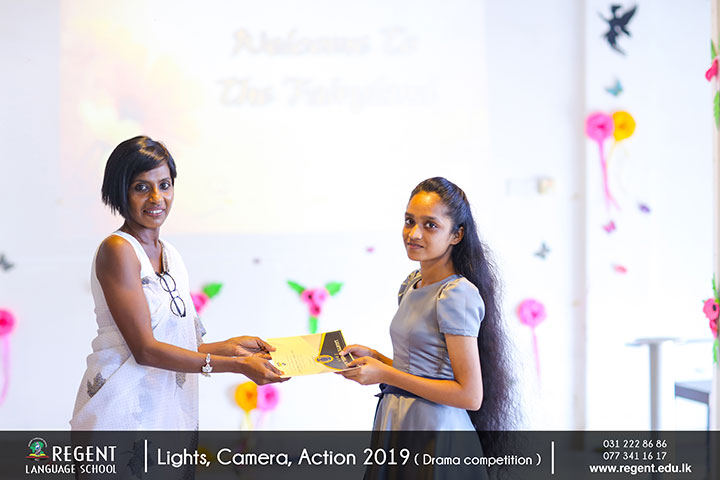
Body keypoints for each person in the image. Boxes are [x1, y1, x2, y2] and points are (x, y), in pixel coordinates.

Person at [70, 136, 287, 430]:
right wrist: (237, 366)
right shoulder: (118, 249)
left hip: (162, 409)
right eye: (141, 187)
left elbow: (181, 347)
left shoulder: (170, 254)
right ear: (119, 191)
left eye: (164, 185)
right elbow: (146, 350)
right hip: (121, 413)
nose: (156, 198)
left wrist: (233, 349)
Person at [339, 177, 516, 462]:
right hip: (400, 422)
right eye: (409, 221)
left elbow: (470, 395)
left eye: (430, 225)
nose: (414, 234)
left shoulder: (456, 294)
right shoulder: (412, 284)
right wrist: (377, 359)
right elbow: (422, 370)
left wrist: (385, 374)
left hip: (436, 433)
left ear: (456, 235)